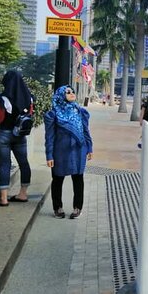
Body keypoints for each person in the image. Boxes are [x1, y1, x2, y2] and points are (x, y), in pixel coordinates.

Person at [44, 86, 94, 219]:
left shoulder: (79, 111)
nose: (72, 94)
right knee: (57, 179)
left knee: (78, 178)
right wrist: (49, 155)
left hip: (79, 150)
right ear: (61, 95)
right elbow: (49, 136)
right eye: (68, 92)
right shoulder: (53, 114)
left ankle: (77, 207)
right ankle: (57, 207)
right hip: (60, 152)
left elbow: (85, 131)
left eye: (72, 92)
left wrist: (89, 148)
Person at [0, 70, 34, 206]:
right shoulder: (29, 97)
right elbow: (30, 113)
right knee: (24, 163)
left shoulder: (2, 97)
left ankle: (4, 198)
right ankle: (23, 194)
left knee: (5, 164)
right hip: (20, 135)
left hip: (4, 134)